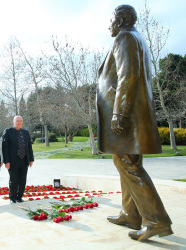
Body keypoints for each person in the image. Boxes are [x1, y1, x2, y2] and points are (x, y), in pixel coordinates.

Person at [96, 4, 173, 240]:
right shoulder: (137, 38)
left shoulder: (125, 38)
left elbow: (126, 75)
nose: (108, 25)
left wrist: (118, 112)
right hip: (135, 114)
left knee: (127, 163)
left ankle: (157, 221)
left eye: (110, 21)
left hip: (127, 116)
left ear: (119, 21)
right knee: (125, 160)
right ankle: (131, 213)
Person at [2, 115, 34, 204]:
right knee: (14, 179)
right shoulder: (8, 132)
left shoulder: (26, 132)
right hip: (13, 161)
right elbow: (4, 148)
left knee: (23, 179)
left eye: (20, 121)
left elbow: (29, 147)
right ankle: (12, 197)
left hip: (24, 160)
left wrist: (31, 159)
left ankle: (19, 197)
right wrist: (6, 161)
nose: (19, 122)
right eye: (17, 121)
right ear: (13, 122)